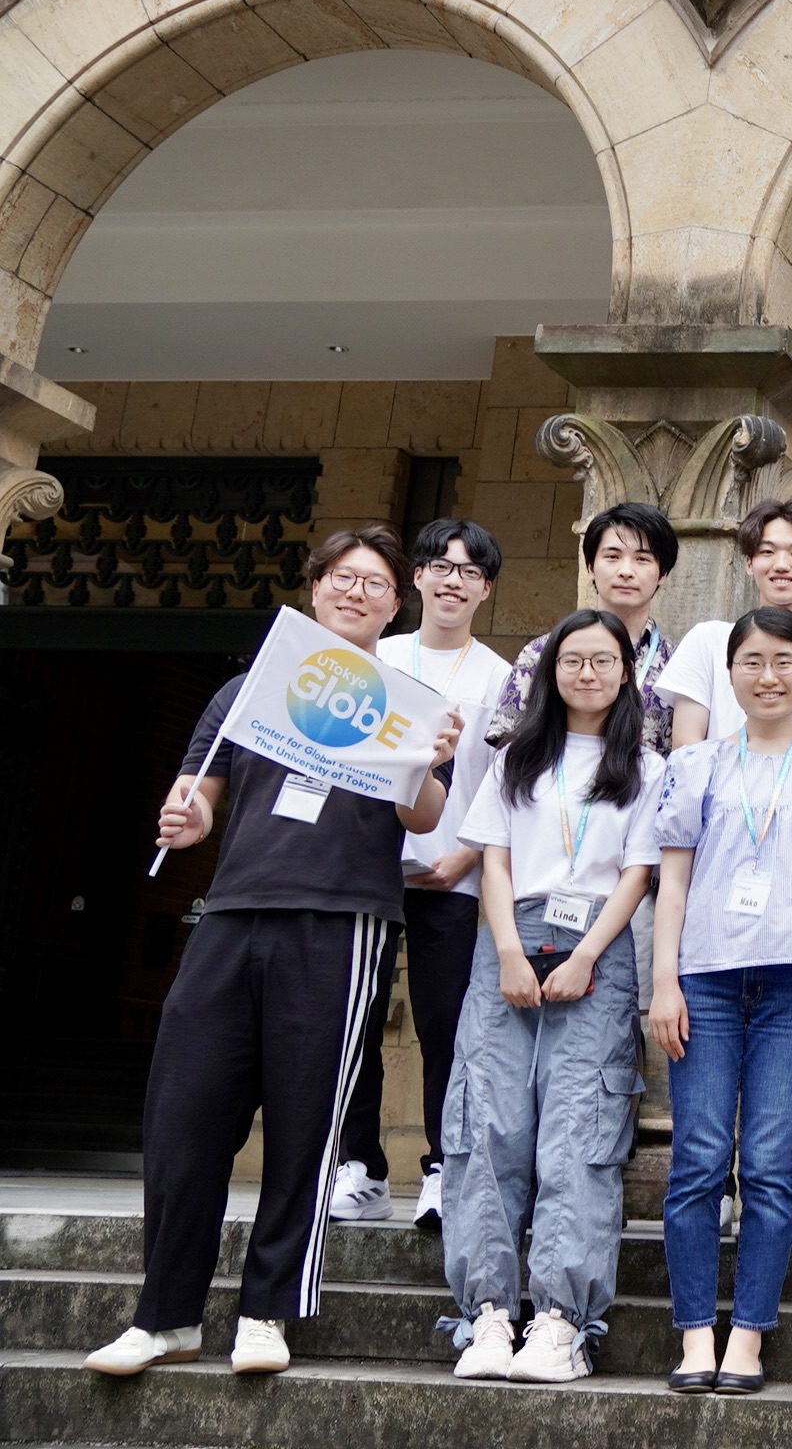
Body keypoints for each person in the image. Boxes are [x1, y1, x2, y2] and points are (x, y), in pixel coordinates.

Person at [88, 527, 463, 1379]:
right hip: (231, 913)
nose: (357, 592)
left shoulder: (407, 700)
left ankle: (266, 1311)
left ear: (395, 603)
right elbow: (199, 793)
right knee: (183, 1120)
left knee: (305, 1128)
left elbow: (425, 818)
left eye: (376, 583)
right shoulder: (248, 687)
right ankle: (165, 1315)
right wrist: (184, 819)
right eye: (342, 577)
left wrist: (426, 761)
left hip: (342, 923)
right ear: (315, 586)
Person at [642, 607, 792, 1393]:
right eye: (752, 662)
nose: (768, 677)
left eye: (783, 662)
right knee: (699, 1160)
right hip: (703, 979)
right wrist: (663, 981)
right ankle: (695, 1330)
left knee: (771, 1167)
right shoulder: (696, 764)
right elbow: (670, 882)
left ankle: (750, 1336)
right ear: (729, 671)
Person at [441, 609, 666, 1384]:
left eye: (604, 660)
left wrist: (588, 958)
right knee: (490, 1122)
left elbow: (639, 874)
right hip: (509, 938)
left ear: (626, 672)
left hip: (598, 945)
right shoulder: (516, 759)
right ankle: (488, 1316)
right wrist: (507, 950)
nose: (588, 673)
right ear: (550, 671)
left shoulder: (648, 765)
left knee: (578, 1132)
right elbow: (493, 861)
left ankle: (562, 1322)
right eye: (573, 660)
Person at [332, 517, 513, 1234]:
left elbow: (509, 783)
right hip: (368, 870)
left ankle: (443, 1168)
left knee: (446, 1026)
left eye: (470, 571)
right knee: (357, 1019)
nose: (452, 579)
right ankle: (361, 1168)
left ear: (486, 589)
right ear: (416, 577)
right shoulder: (378, 655)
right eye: (441, 564)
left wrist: (468, 854)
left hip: (455, 874)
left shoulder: (502, 676)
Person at [662, 499, 792, 747]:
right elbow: (686, 750)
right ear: (749, 563)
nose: (781, 565)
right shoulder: (707, 640)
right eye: (767, 552)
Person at [489, 502, 680, 752]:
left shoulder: (677, 663)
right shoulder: (541, 652)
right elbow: (507, 745)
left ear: (662, 573)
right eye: (612, 557)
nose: (626, 571)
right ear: (590, 567)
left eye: (642, 559)